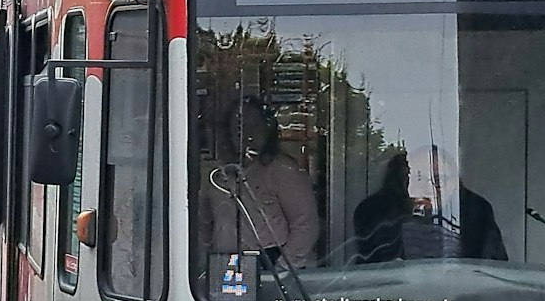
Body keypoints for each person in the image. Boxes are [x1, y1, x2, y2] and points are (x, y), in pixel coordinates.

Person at [198, 96, 319, 266]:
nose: (247, 134)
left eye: (254, 125)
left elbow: (305, 224)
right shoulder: (217, 175)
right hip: (224, 262)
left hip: (269, 260)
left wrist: (283, 266)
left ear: (267, 129)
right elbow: (204, 225)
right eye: (239, 127)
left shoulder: (282, 169)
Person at [353, 149, 507, 263]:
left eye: (439, 180)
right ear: (401, 180)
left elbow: (492, 266)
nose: (428, 188)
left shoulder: (477, 210)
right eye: (417, 178)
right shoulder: (374, 211)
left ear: (455, 182)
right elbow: (372, 269)